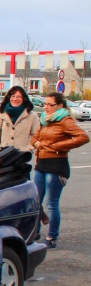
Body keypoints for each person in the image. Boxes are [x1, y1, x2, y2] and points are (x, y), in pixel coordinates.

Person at [30, 92, 89, 248]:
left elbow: (83, 137)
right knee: (36, 202)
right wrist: (37, 145)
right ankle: (34, 233)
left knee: (52, 204)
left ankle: (51, 237)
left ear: (60, 106)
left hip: (57, 166)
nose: (47, 107)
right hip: (41, 163)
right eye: (46, 104)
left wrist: (57, 146)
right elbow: (35, 138)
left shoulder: (65, 120)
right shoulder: (44, 120)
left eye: (51, 105)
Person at [0, 86, 40, 152]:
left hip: (22, 156)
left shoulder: (32, 116)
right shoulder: (1, 116)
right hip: (4, 156)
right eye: (13, 96)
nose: (15, 99)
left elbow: (36, 136)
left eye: (18, 97)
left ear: (24, 99)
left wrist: (28, 149)